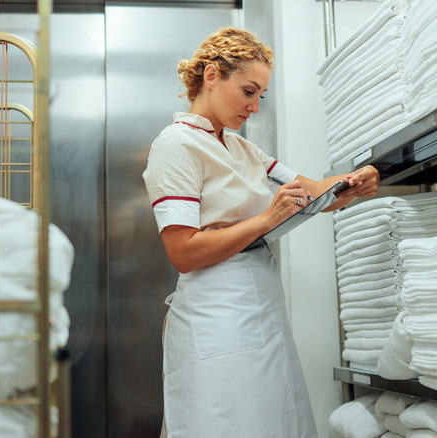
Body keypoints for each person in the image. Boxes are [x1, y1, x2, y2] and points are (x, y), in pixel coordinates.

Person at [142, 27, 380, 437]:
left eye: (260, 96)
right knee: (223, 423)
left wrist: (358, 180)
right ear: (212, 75)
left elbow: (315, 192)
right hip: (214, 310)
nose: (254, 106)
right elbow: (183, 251)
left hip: (261, 307)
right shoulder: (176, 145)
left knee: (273, 420)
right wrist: (267, 220)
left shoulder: (243, 149)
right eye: (249, 91)